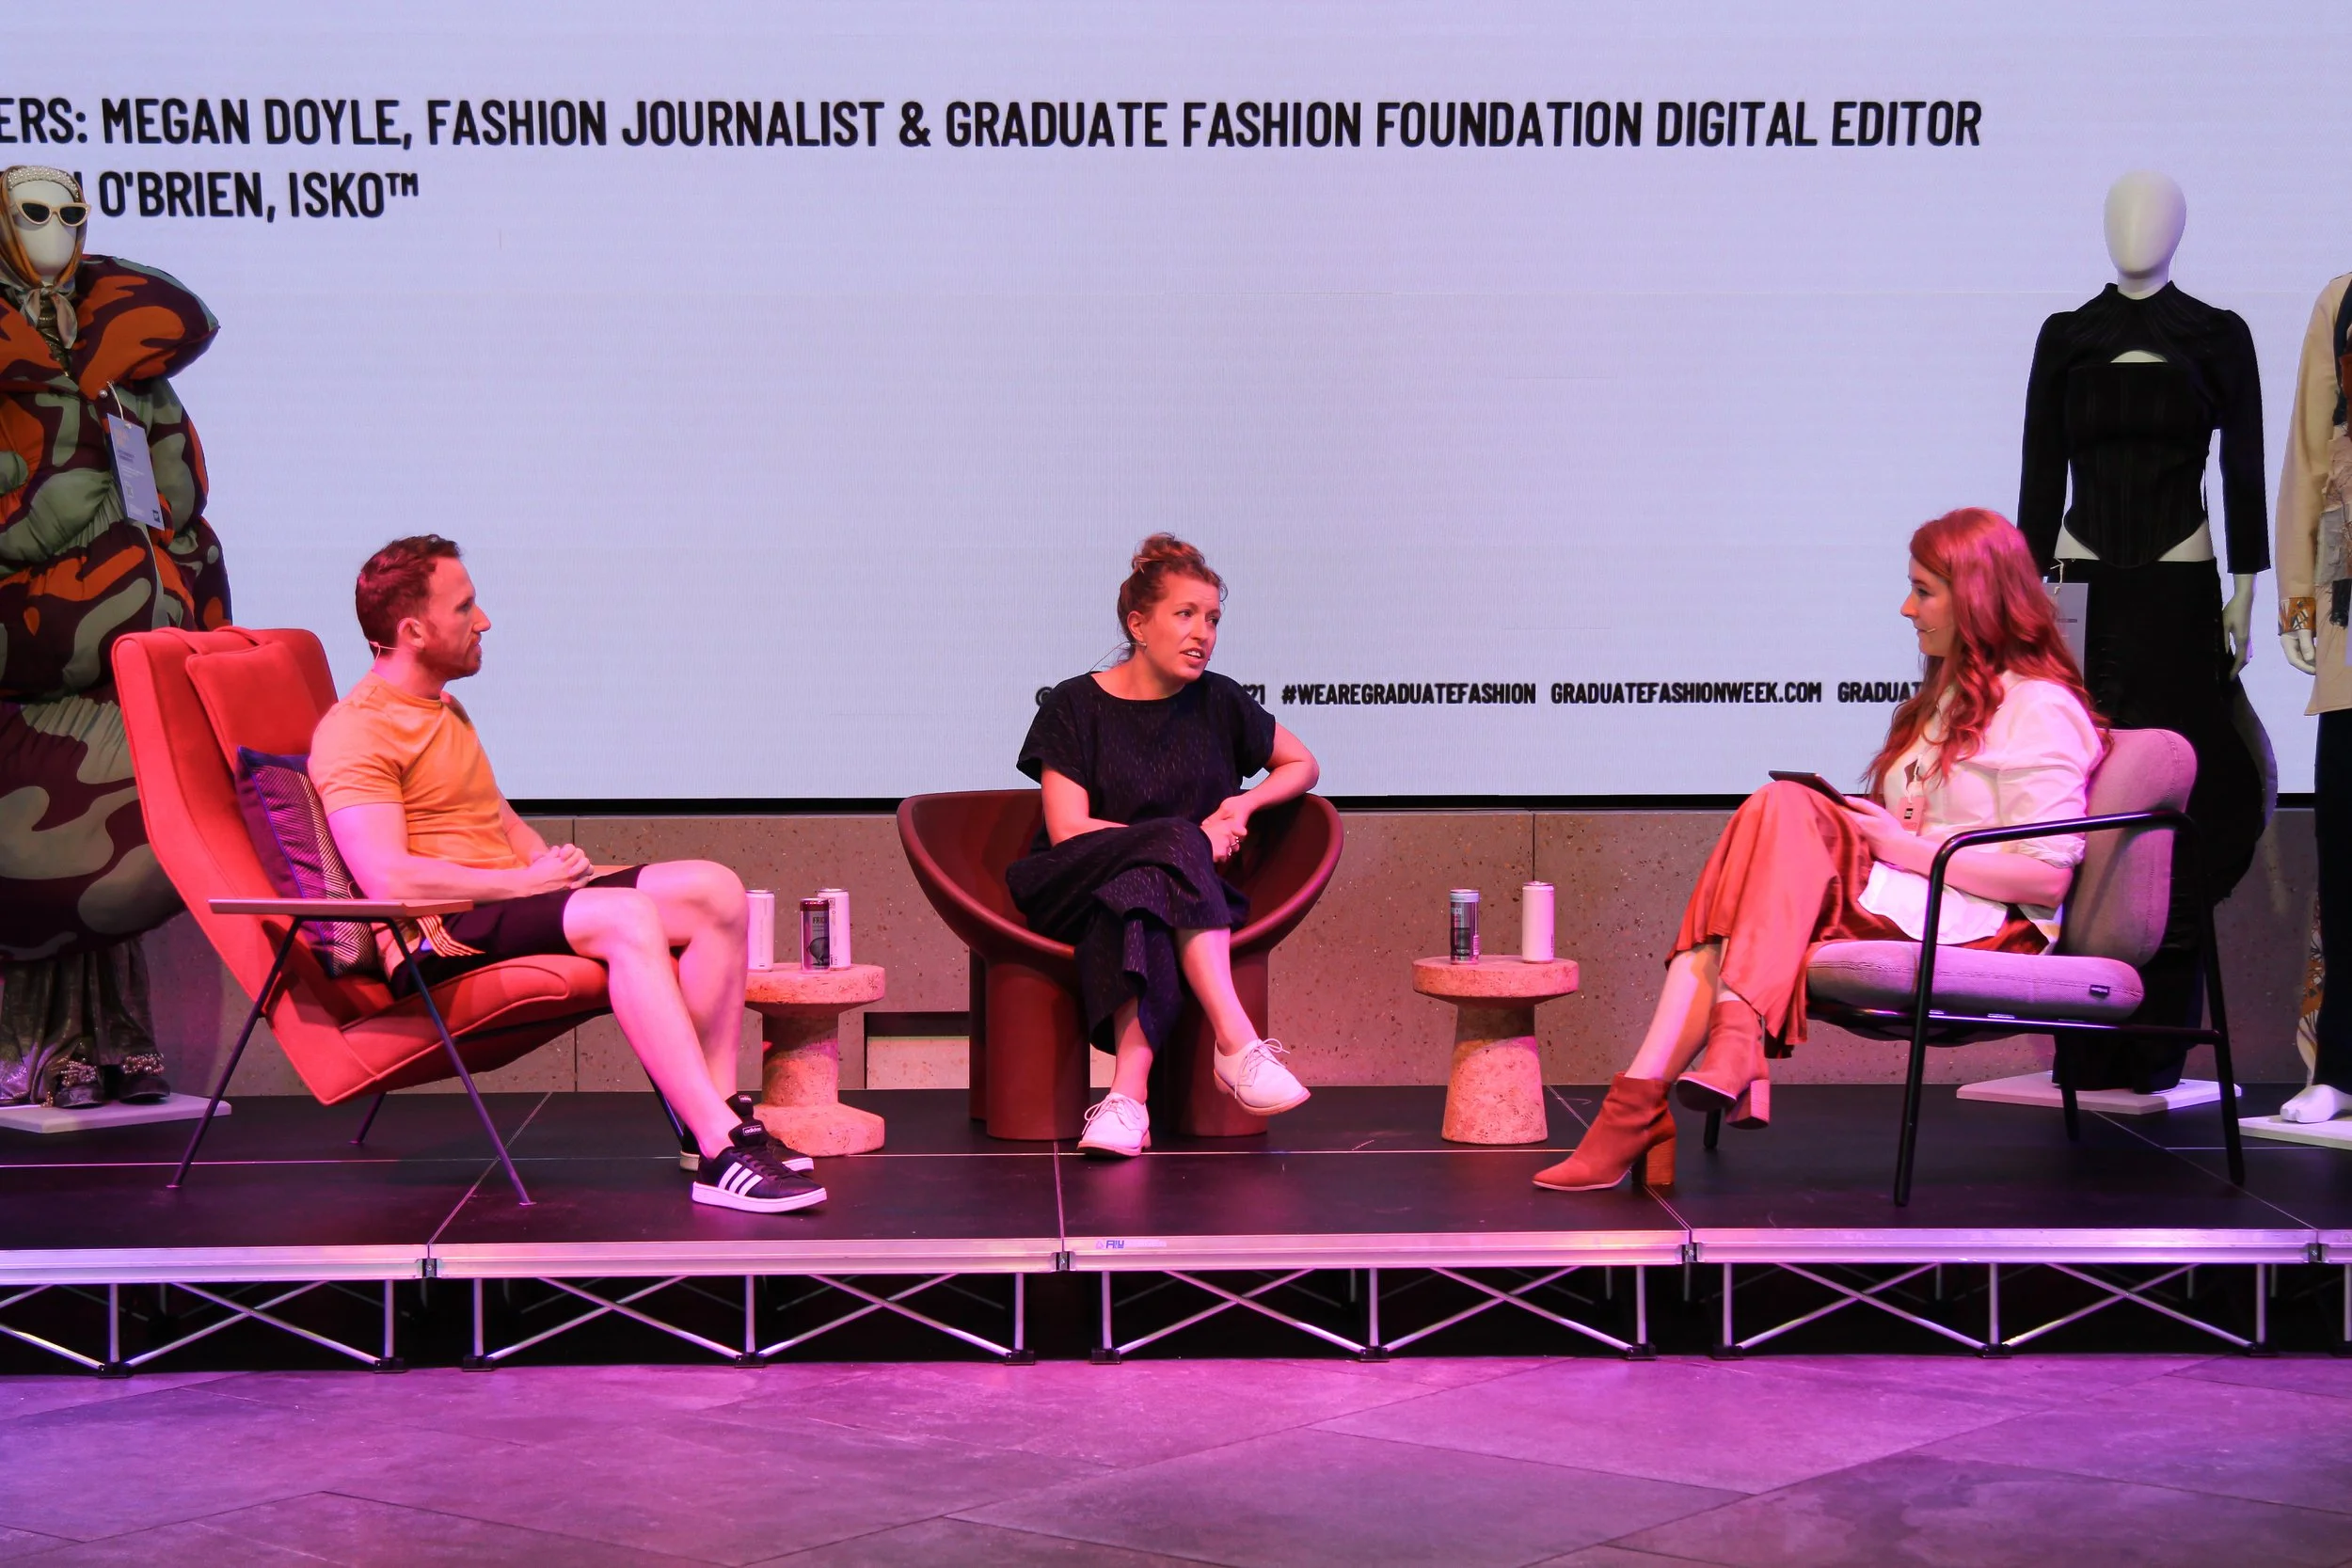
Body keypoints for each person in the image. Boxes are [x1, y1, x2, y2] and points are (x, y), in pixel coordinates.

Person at [1535, 508, 2106, 1192]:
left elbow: (2046, 881)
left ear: (1977, 598)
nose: (1907, 609)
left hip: (1987, 927)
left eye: (1923, 591)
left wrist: (1906, 847)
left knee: (1774, 818)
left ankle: (1667, 1090)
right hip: (1912, 895)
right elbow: (1919, 824)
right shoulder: (1944, 699)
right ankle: (1690, 1071)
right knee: (1777, 813)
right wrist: (1882, 828)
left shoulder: (2040, 708)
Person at [309, 535, 823, 1214]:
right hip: (437, 931)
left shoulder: (444, 708)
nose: (484, 620)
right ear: (413, 631)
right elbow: (388, 879)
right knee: (627, 916)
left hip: (499, 901)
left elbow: (499, 821)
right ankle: (720, 1148)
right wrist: (523, 885)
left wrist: (546, 864)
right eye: (464, 608)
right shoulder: (356, 731)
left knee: (714, 891)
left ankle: (717, 1117)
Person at [1010, 534, 1320, 1157]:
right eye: (1185, 614)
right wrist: (1188, 838)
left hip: (1168, 897)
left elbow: (1302, 765)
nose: (1203, 633)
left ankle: (1127, 1099)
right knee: (1171, 847)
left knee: (1143, 896)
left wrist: (1243, 805)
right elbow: (1068, 828)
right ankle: (1237, 1043)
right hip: (1071, 882)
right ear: (1138, 625)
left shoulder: (1220, 700)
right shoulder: (1074, 704)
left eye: (1213, 619)